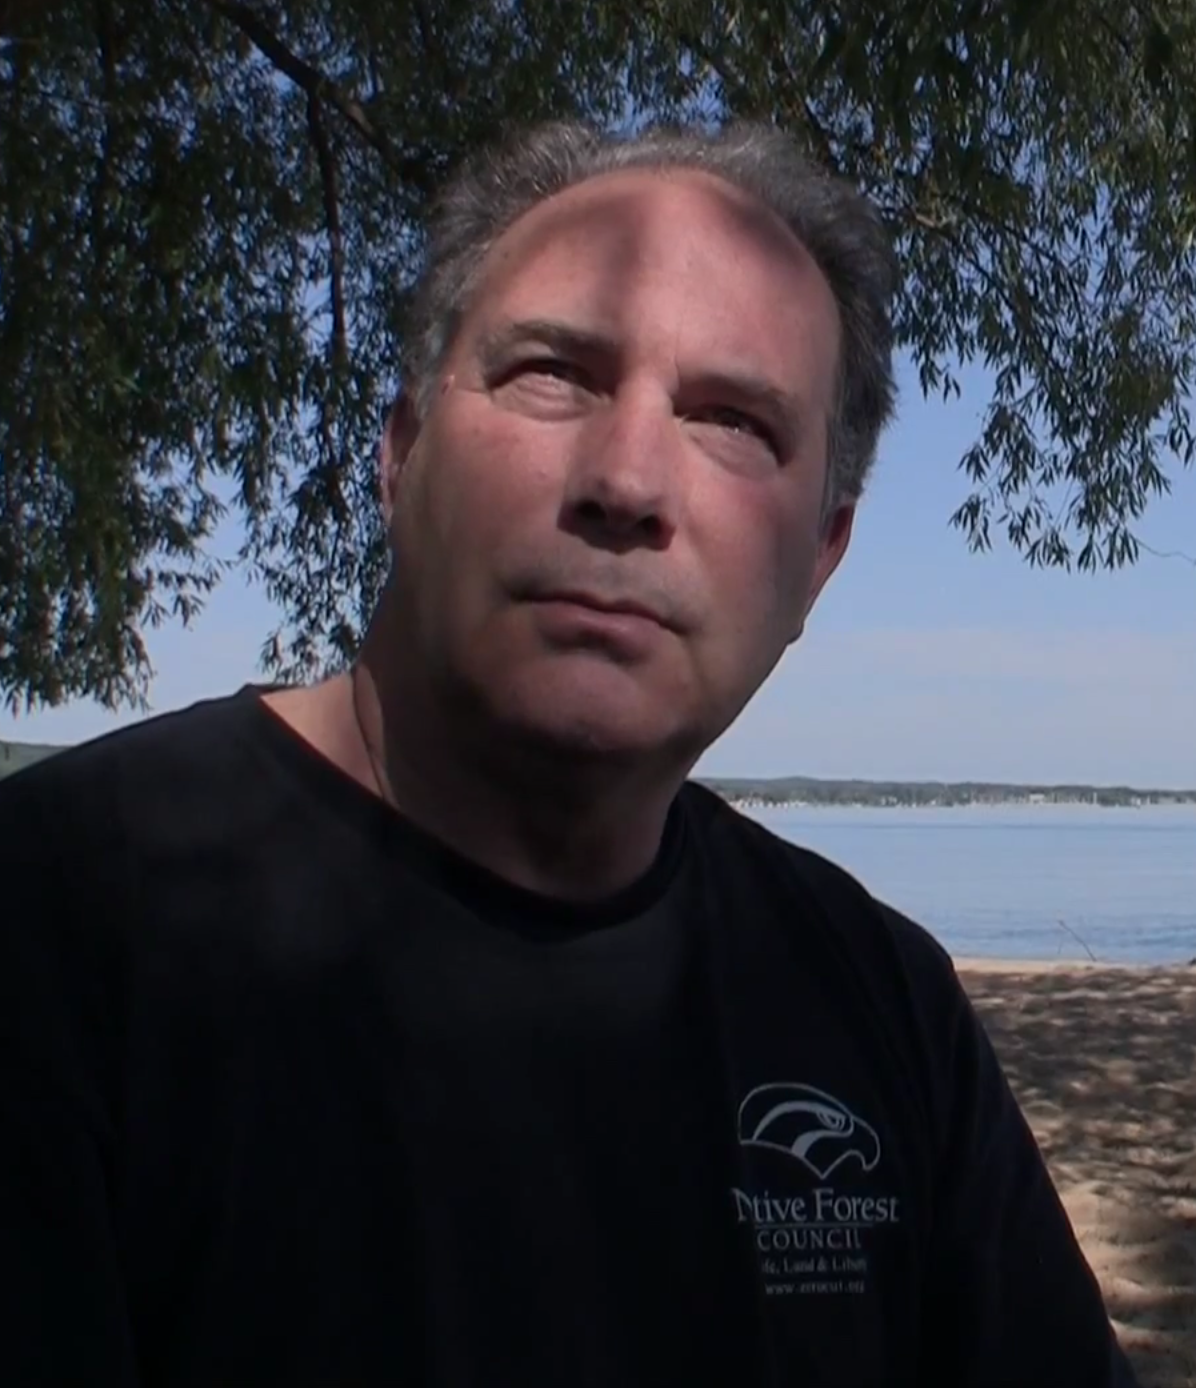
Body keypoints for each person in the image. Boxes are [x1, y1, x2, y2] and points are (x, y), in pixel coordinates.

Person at [0, 120, 1137, 1388]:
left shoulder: (880, 1003)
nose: (627, 479)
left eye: (732, 420)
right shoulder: (57, 924)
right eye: (553, 373)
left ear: (819, 558)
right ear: (401, 453)